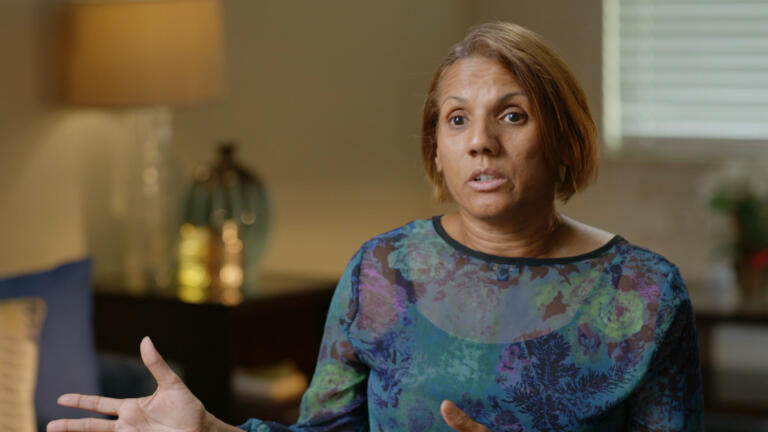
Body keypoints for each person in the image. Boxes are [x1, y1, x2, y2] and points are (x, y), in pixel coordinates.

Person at [47, 22, 703, 432]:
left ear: (563, 138)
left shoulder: (647, 293)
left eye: (512, 115)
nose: (480, 141)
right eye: (456, 120)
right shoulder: (382, 271)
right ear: (436, 151)